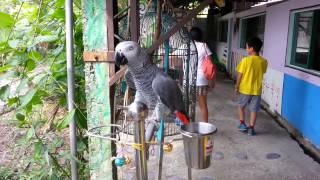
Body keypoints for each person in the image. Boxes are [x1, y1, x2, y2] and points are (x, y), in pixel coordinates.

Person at [235, 37, 268, 136]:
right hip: (257, 90)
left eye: (247, 47)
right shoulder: (264, 61)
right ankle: (251, 128)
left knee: (241, 106)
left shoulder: (245, 60)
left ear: (251, 48)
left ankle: (242, 124)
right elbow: (263, 71)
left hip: (245, 89)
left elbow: (240, 75)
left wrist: (237, 86)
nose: (246, 49)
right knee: (254, 109)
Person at [190, 27, 215, 123]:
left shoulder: (186, 45)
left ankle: (189, 126)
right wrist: (212, 81)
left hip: (188, 81)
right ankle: (205, 128)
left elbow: (174, 59)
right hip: (201, 80)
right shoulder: (204, 46)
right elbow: (210, 64)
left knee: (188, 104)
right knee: (203, 105)